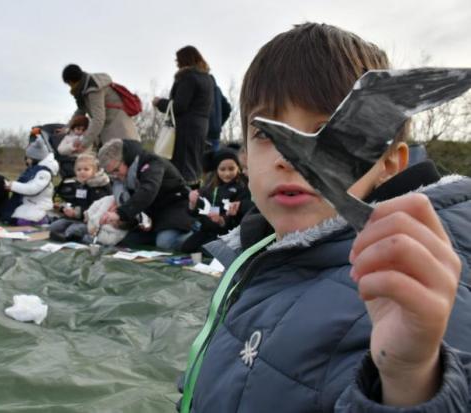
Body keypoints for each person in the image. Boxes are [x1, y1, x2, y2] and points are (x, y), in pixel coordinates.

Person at [180, 23, 471, 412]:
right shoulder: (258, 251)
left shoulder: (417, 283)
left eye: (324, 130)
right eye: (267, 134)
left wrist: (409, 376)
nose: (287, 158)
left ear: (389, 163)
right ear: (245, 156)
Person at [97, 139, 194, 250]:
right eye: (111, 173)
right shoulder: (124, 179)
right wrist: (121, 222)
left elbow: (148, 190)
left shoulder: (153, 163)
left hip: (177, 209)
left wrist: (120, 214)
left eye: (116, 170)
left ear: (126, 160)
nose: (115, 176)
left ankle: (196, 236)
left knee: (165, 243)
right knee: (127, 243)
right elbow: (135, 206)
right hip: (153, 219)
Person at [153, 46, 214, 187]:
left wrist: (159, 102)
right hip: (201, 127)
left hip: (185, 128)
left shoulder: (188, 77)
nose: (176, 62)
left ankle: (182, 196)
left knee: (182, 166)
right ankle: (194, 194)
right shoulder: (208, 79)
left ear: (184, 59)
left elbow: (179, 106)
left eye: (178, 59)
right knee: (194, 164)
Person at [180, 147, 250, 253]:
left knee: (208, 251)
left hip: (227, 234)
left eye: (231, 169)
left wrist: (223, 220)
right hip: (207, 231)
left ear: (238, 168)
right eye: (222, 169)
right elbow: (195, 212)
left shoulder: (242, 187)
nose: (227, 173)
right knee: (186, 248)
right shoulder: (209, 188)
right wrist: (192, 203)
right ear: (216, 170)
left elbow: (240, 217)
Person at [62, 64, 140, 151]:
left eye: (68, 84)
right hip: (109, 127)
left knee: (122, 158)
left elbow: (98, 119)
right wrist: (67, 127)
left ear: (71, 82)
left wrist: (84, 143)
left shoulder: (93, 89)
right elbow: (81, 110)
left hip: (119, 127)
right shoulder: (83, 88)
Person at [49, 153, 111, 243]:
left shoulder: (99, 188)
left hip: (91, 222)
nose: (82, 172)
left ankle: (73, 237)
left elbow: (97, 210)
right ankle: (68, 236)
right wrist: (65, 208)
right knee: (53, 227)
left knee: (72, 231)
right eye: (79, 170)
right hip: (77, 218)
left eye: (86, 169)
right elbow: (76, 202)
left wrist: (77, 212)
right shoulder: (79, 185)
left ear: (94, 171)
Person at [2, 138, 59, 226]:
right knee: (10, 219)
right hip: (28, 202)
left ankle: (47, 219)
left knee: (23, 222)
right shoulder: (33, 170)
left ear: (35, 158)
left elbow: (33, 189)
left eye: (28, 158)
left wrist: (13, 186)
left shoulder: (44, 173)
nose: (27, 160)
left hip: (38, 204)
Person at [206, 76, 232, 152]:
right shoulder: (218, 90)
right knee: (214, 161)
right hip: (216, 133)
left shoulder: (202, 89)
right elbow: (227, 108)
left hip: (204, 131)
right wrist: (219, 123)